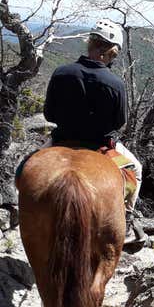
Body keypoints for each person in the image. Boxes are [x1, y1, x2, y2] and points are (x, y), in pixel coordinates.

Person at [43, 18, 145, 245]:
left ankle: (22, 208)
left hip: (61, 141)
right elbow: (119, 122)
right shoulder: (115, 84)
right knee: (135, 170)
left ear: (90, 44)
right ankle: (126, 219)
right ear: (110, 52)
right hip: (100, 146)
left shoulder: (61, 73)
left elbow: (49, 115)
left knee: (25, 167)